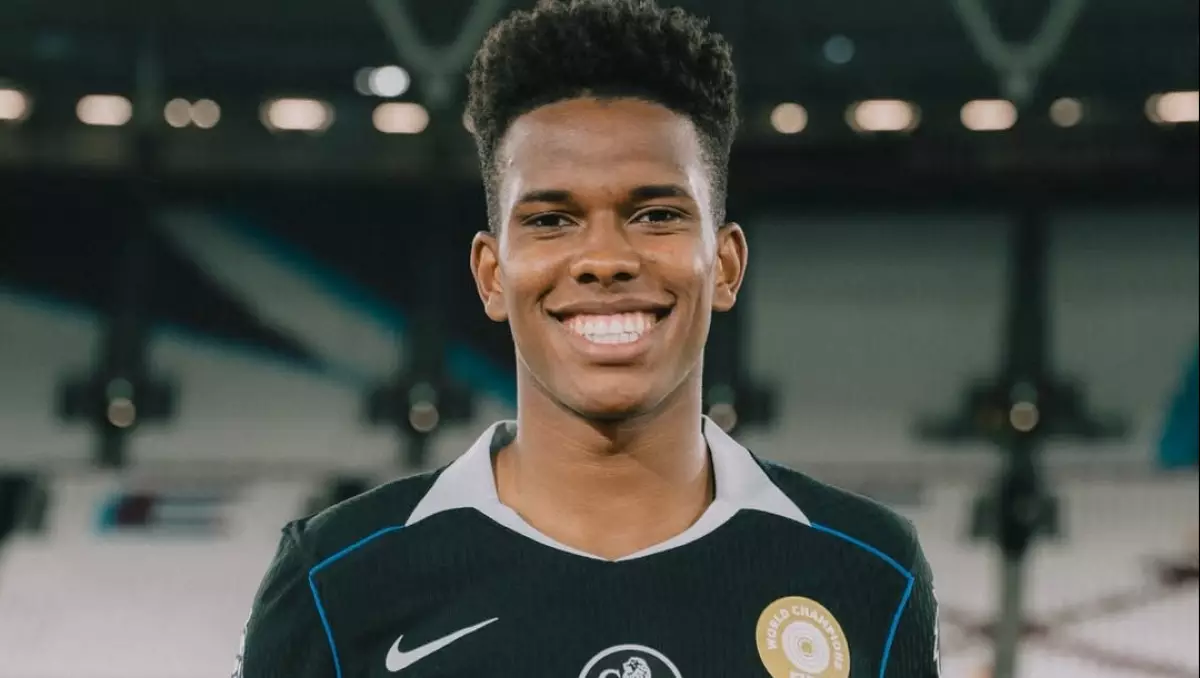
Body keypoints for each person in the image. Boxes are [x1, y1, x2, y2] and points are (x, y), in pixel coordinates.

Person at [235, 1, 940, 676]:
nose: (605, 259)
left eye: (656, 214)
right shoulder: (334, 583)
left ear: (725, 265)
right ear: (491, 275)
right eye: (551, 220)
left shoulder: (870, 572)